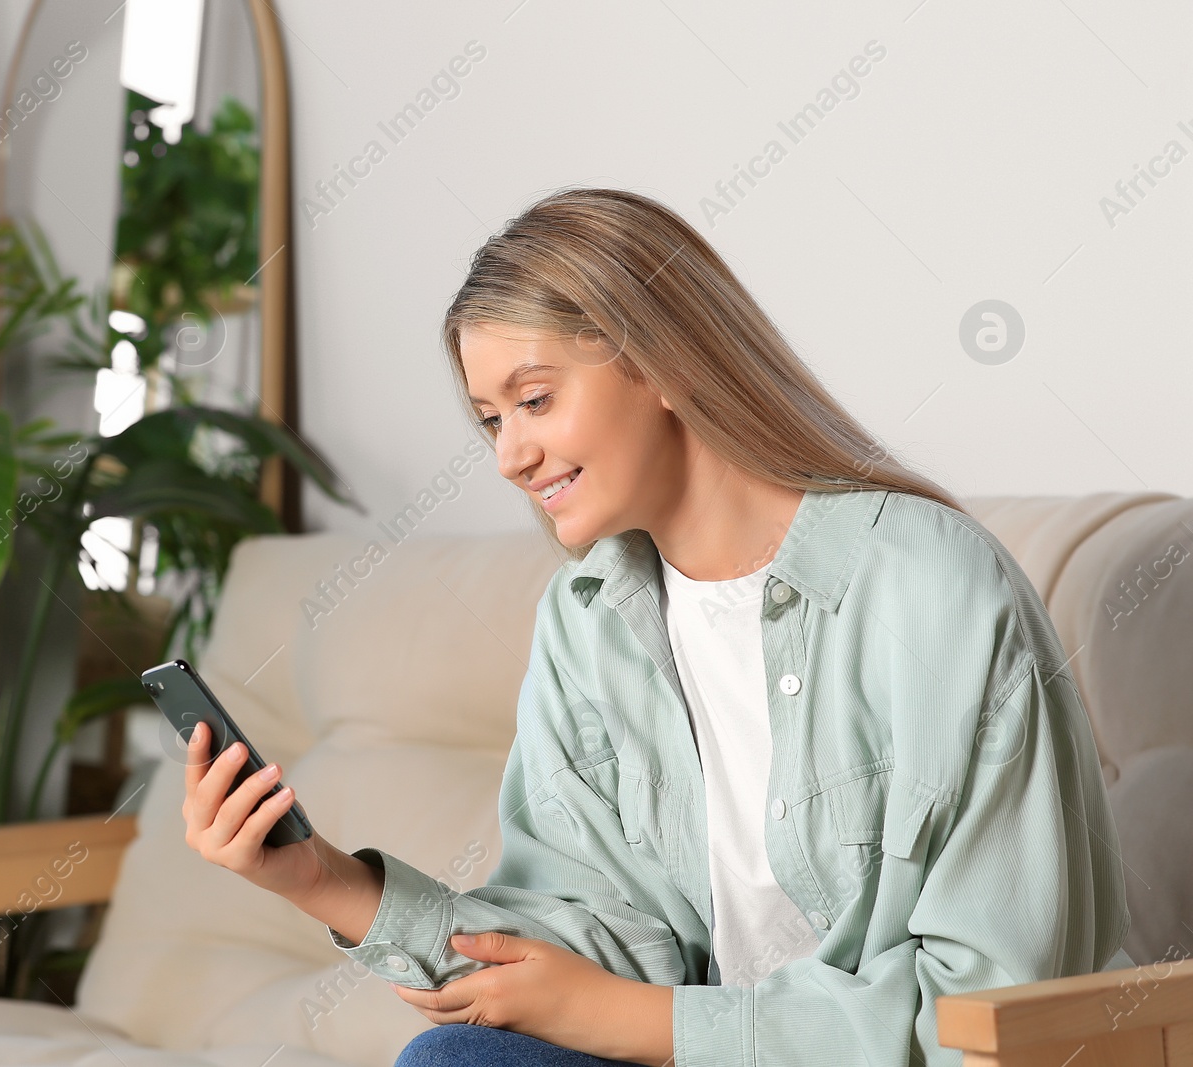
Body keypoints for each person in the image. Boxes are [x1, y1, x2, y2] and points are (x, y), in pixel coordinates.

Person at [178, 188, 1131, 1066]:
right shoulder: (588, 621)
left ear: (663, 363)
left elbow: (991, 1008)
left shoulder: (928, 586)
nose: (510, 454)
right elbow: (584, 947)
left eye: (536, 399)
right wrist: (318, 877)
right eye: (490, 420)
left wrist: (637, 1021)